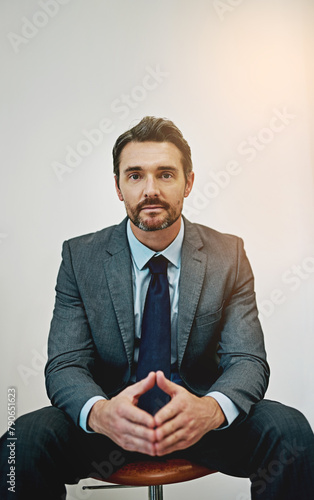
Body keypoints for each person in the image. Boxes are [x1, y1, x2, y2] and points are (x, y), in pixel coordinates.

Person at [0, 116, 313, 500]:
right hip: (111, 423)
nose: (150, 190)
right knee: (22, 442)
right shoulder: (80, 258)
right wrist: (101, 413)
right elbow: (66, 363)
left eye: (165, 175)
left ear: (188, 183)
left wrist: (210, 410)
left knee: (290, 430)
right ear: (118, 186)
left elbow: (248, 359)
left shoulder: (228, 255)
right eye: (135, 176)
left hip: (199, 420)